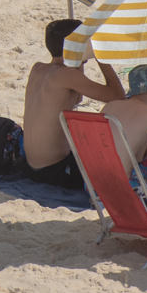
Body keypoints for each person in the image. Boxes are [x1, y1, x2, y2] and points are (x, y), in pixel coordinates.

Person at [19, 18, 125, 188]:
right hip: (54, 171)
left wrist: (78, 59)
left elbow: (76, 98)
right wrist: (100, 56)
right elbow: (117, 95)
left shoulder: (38, 69)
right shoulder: (67, 76)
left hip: (29, 166)